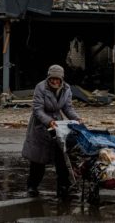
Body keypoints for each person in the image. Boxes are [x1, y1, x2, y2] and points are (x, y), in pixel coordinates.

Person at [21, 64, 82, 198]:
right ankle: (32, 187)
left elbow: (68, 108)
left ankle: (63, 189)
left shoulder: (66, 89)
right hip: (40, 126)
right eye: (52, 78)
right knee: (38, 159)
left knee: (62, 158)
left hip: (57, 125)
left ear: (62, 79)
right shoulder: (40, 87)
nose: (55, 81)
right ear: (48, 78)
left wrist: (77, 119)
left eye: (57, 79)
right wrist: (48, 121)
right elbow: (37, 109)